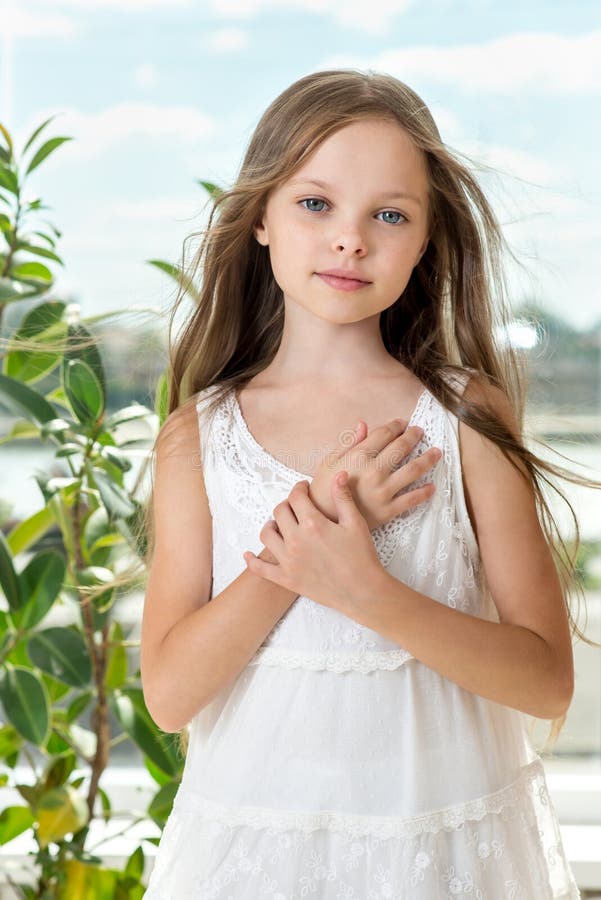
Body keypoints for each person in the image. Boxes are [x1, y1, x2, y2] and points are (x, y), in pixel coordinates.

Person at [139, 69, 591, 898]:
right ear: (262, 221)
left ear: (423, 242)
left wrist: (361, 588)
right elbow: (169, 695)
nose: (350, 239)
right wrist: (311, 534)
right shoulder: (196, 437)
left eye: (388, 214)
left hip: (446, 855)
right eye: (315, 204)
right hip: (251, 857)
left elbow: (544, 678)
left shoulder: (462, 417)